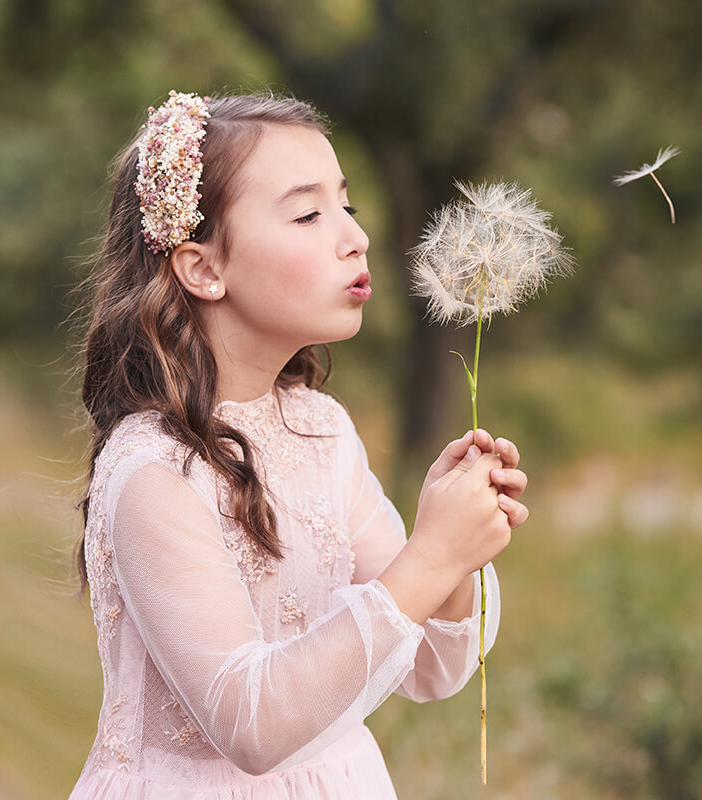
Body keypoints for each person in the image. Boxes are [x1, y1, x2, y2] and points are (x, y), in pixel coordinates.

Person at [68, 90, 528, 799]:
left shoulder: (318, 430)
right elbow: (251, 727)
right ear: (202, 268)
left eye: (347, 207)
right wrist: (429, 557)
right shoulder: (152, 471)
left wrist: (456, 552)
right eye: (309, 214)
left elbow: (434, 667)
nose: (354, 237)